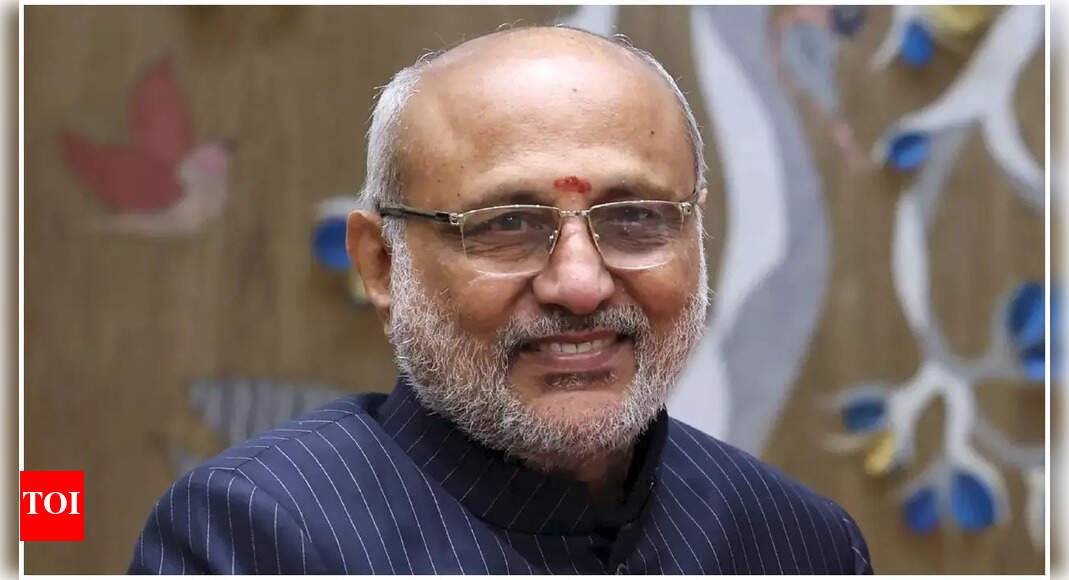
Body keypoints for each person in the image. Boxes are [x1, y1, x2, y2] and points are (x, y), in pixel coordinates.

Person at [129, 26, 873, 575]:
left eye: (634, 218)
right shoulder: (255, 534)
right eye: (506, 225)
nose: (579, 285)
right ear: (382, 264)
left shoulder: (799, 542)